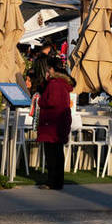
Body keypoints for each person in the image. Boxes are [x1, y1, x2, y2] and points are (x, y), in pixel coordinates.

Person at [36, 55, 74, 190]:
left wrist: (40, 101)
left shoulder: (54, 84)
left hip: (51, 123)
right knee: (58, 153)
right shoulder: (63, 84)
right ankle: (57, 181)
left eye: (48, 69)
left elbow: (51, 101)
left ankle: (52, 181)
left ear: (51, 69)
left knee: (52, 154)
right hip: (59, 122)